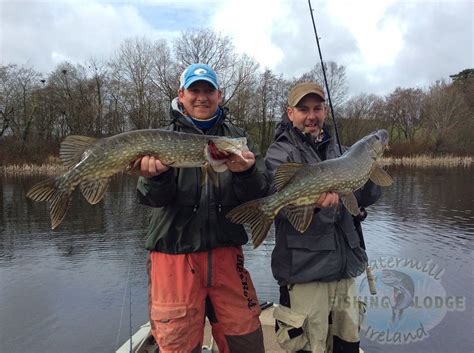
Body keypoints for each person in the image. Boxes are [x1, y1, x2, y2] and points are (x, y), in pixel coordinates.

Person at [135, 63, 268, 353]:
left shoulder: (237, 140)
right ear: (181, 94)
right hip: (174, 258)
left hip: (226, 257)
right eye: (195, 90)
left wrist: (246, 173)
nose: (202, 97)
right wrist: (155, 177)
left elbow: (259, 194)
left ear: (219, 95)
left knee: (245, 339)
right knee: (177, 345)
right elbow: (150, 199)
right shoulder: (161, 137)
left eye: (209, 90)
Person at [265, 82, 382, 353]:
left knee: (347, 345)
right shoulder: (281, 153)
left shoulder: (344, 151)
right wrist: (315, 205)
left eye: (317, 108)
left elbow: (365, 198)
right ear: (290, 113)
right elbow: (278, 202)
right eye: (303, 109)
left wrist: (370, 169)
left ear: (325, 111)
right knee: (309, 346)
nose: (311, 116)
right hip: (306, 271)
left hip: (344, 269)